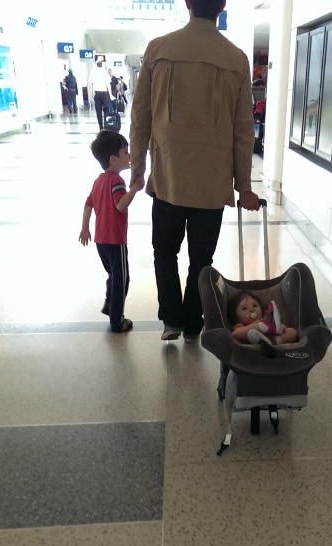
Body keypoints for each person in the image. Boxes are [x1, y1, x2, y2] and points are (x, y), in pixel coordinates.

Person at [129, 0, 260, 343]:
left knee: (164, 251)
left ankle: (171, 318)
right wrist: (243, 186)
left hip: (169, 180)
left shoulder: (158, 49)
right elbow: (244, 131)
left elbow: (140, 119)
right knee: (201, 258)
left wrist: (136, 171)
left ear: (187, 3)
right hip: (212, 185)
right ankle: (192, 323)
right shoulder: (236, 59)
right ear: (223, 6)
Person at [78, 130, 142, 332]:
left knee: (113, 276)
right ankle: (117, 320)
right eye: (126, 152)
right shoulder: (117, 181)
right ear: (113, 159)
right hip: (115, 241)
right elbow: (121, 205)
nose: (129, 156)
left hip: (101, 241)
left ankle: (109, 305)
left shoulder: (99, 180)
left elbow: (88, 204)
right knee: (122, 280)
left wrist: (85, 228)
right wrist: (135, 189)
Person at [227, 291, 298, 345]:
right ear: (236, 318)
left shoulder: (266, 318)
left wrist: (281, 328)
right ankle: (264, 328)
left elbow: (283, 329)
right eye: (244, 308)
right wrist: (256, 326)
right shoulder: (239, 325)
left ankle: (273, 341)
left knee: (292, 331)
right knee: (240, 333)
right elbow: (234, 334)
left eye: (254, 305)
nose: (252, 309)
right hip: (251, 340)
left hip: (271, 338)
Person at [88, 61, 114, 130]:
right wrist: (110, 94)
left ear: (96, 65)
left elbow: (91, 84)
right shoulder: (105, 72)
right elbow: (108, 84)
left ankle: (100, 126)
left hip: (97, 93)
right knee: (106, 109)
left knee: (98, 110)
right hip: (104, 93)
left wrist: (91, 93)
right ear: (102, 65)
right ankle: (106, 124)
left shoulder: (93, 72)